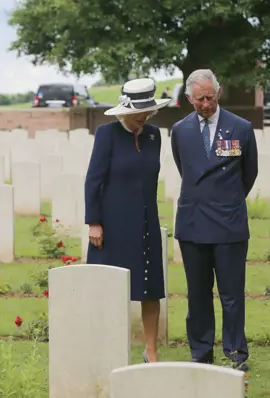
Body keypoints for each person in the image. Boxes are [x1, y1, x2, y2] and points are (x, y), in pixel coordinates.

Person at [170, 69, 258, 371]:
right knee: (198, 294)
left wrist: (228, 200)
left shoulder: (241, 128)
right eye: (199, 100)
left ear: (217, 93)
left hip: (229, 223)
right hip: (194, 224)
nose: (206, 104)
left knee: (232, 295)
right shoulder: (180, 130)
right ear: (188, 99)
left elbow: (249, 173)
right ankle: (201, 351)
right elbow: (186, 169)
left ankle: (235, 353)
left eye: (210, 97)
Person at [85, 78, 170, 364]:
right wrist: (94, 221)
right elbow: (93, 180)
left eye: (146, 114)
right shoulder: (106, 134)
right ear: (124, 111)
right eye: (137, 114)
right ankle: (105, 346)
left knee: (151, 288)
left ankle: (151, 352)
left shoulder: (154, 136)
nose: (142, 119)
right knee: (109, 288)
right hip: (112, 224)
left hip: (145, 222)